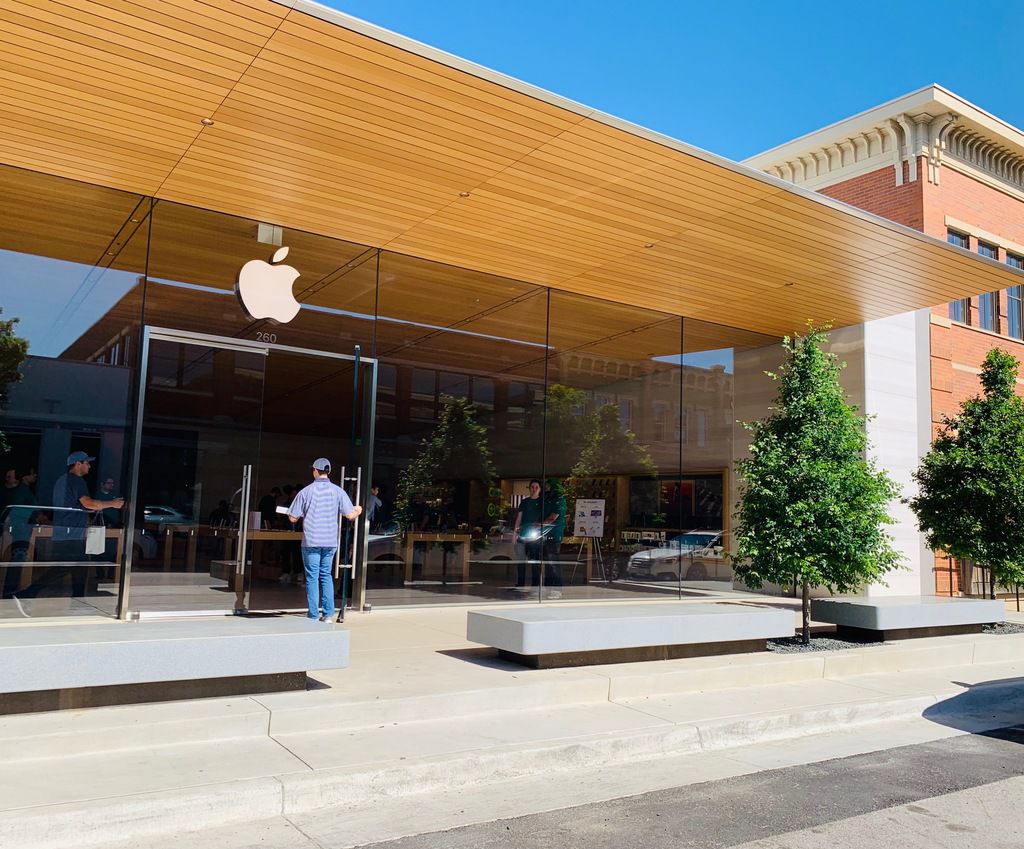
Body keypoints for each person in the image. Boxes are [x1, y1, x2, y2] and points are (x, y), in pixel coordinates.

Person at [15, 452, 123, 603]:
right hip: (70, 532)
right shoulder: (76, 481)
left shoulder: (62, 480)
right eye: (87, 463)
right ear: (78, 464)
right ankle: (28, 593)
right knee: (64, 567)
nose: (89, 466)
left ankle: (78, 599)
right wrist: (113, 504)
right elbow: (88, 503)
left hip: (66, 530)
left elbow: (73, 505)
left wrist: (86, 509)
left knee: (80, 566)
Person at [287, 458, 362, 621]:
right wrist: (359, 510)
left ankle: (313, 614)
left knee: (312, 577)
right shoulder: (337, 491)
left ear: (315, 470)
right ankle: (328, 615)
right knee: (326, 575)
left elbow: (292, 518)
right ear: (329, 472)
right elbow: (350, 515)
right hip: (330, 542)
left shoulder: (306, 492)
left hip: (311, 541)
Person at [513, 480, 545, 591]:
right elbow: (519, 518)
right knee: (521, 562)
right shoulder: (524, 502)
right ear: (529, 488)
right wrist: (515, 533)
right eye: (532, 487)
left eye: (536, 487)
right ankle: (520, 584)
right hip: (522, 536)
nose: (534, 489)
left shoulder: (542, 502)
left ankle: (535, 586)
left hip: (535, 537)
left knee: (535, 562)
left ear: (540, 489)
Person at [541, 478, 567, 598]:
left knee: (553, 562)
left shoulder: (559, 500)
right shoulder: (547, 499)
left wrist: (538, 526)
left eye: (547, 484)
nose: (545, 486)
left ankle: (557, 589)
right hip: (545, 534)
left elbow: (552, 517)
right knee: (548, 562)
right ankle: (548, 588)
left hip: (554, 534)